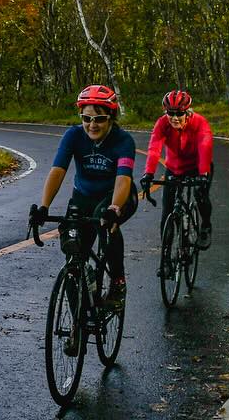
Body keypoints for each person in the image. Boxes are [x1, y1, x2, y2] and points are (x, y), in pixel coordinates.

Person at [30, 84, 137, 311]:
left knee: (107, 224)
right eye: (86, 118)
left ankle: (118, 282)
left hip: (117, 195)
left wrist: (115, 208)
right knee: (72, 251)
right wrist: (44, 206)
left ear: (111, 117)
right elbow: (58, 170)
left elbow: (123, 179)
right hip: (83, 196)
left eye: (99, 118)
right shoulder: (73, 136)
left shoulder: (123, 141)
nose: (92, 124)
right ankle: (78, 323)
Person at [140, 89, 214, 249]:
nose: (174, 118)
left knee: (201, 195)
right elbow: (154, 149)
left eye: (179, 114)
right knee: (167, 209)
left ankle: (206, 226)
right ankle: (165, 255)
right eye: (170, 113)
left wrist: (203, 174)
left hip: (198, 166)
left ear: (187, 112)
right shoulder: (162, 123)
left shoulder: (200, 123)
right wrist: (149, 173)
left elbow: (205, 148)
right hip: (174, 168)